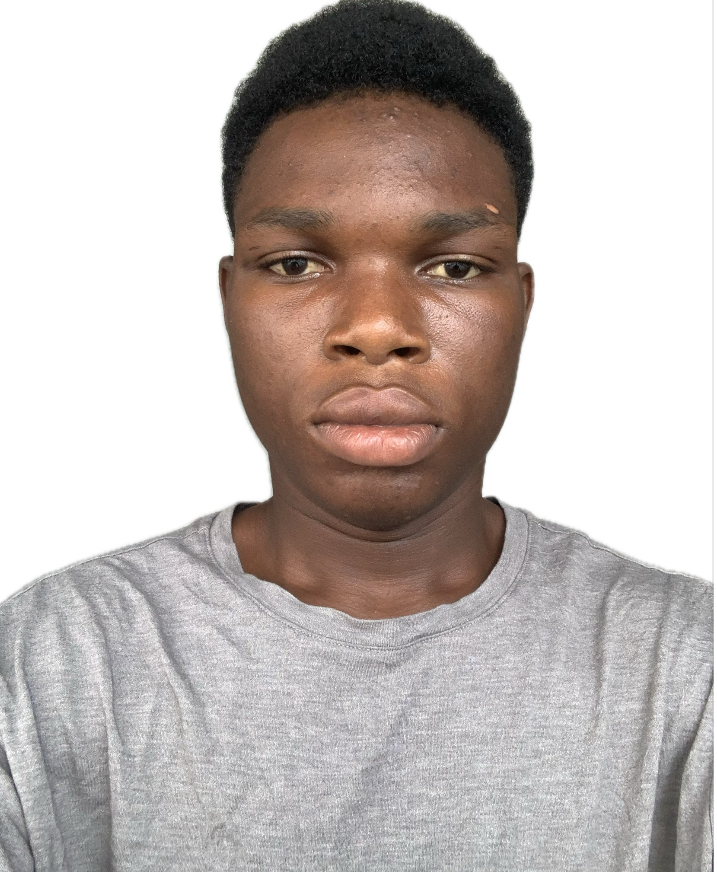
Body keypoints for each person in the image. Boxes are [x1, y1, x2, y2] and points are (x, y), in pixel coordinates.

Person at [0, 1, 711, 869]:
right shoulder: (60, 657)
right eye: (296, 263)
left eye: (453, 267)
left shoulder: (683, 665)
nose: (376, 328)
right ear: (230, 300)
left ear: (519, 306)